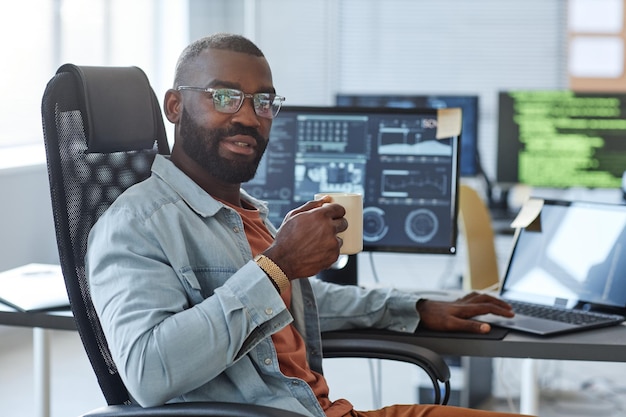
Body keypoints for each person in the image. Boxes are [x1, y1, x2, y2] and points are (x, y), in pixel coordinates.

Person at [86, 33, 528, 417]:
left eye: (264, 102)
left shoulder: (240, 213)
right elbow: (149, 373)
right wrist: (277, 265)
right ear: (175, 105)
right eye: (223, 97)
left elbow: (294, 301)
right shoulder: (134, 224)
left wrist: (413, 309)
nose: (247, 116)